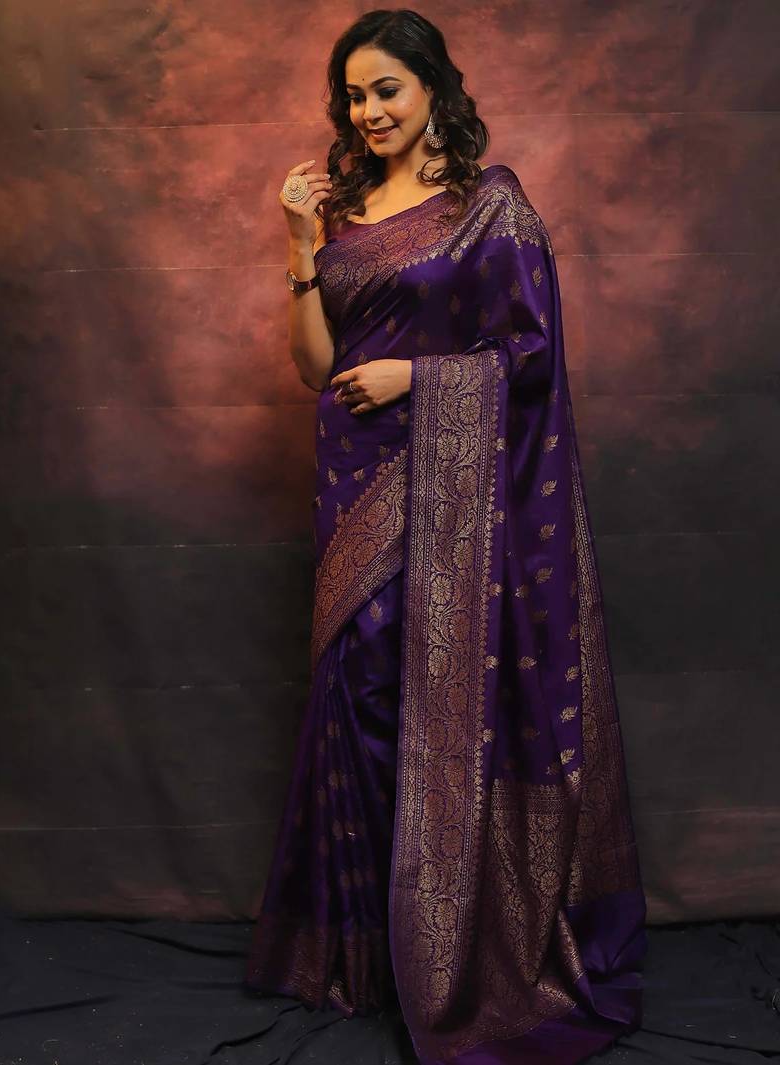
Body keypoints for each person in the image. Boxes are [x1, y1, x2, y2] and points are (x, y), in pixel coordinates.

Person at [245, 9, 648, 1064]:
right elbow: (312, 367)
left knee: (424, 695)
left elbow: (530, 355)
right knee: (359, 693)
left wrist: (416, 379)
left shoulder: (488, 206)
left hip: (451, 495)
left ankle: (455, 943)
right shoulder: (345, 212)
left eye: (386, 88)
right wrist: (297, 243)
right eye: (353, 95)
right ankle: (372, 954)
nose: (367, 111)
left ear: (431, 88)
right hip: (353, 488)